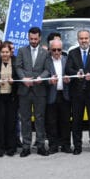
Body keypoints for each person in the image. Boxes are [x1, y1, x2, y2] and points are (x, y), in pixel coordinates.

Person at [65, 29, 90, 154]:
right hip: (77, 93)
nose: (84, 41)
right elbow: (68, 68)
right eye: (81, 38)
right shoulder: (72, 53)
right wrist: (76, 73)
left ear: (89, 39)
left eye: (86, 38)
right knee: (76, 121)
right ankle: (77, 146)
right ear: (78, 40)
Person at [15, 26, 51, 157]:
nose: (33, 41)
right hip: (24, 90)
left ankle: (40, 145)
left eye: (35, 39)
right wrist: (23, 78)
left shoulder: (45, 52)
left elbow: (48, 69)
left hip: (39, 90)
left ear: (40, 38)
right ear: (28, 38)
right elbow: (18, 67)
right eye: (31, 39)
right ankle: (26, 146)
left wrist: (42, 77)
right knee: (25, 119)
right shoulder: (21, 51)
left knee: (40, 118)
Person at [0, 41, 19, 156]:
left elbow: (19, 76)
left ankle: (11, 148)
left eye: (7, 52)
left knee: (11, 122)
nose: (5, 54)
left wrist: (14, 81)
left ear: (10, 52)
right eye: (2, 52)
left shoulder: (16, 61)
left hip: (12, 97)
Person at [46, 38, 72, 154]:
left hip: (64, 94)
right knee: (51, 122)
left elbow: (72, 74)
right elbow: (42, 76)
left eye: (59, 50)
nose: (56, 52)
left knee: (65, 121)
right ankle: (53, 146)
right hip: (51, 95)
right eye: (54, 50)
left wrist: (69, 79)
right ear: (50, 50)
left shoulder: (67, 60)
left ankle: (66, 145)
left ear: (62, 50)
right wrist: (49, 81)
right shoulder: (46, 61)